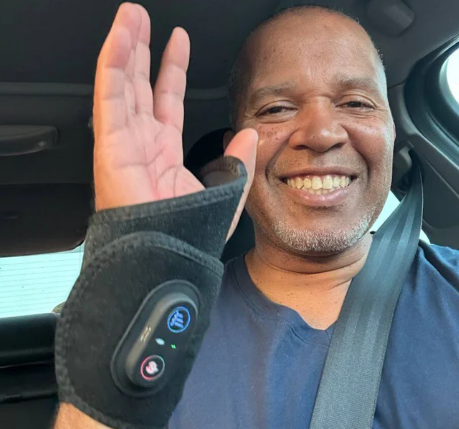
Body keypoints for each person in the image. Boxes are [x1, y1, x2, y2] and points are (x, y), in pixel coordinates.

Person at [54, 3, 459, 429]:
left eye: (356, 103)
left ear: (392, 131)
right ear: (235, 152)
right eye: (277, 109)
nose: (322, 134)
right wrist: (138, 281)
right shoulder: (162, 327)